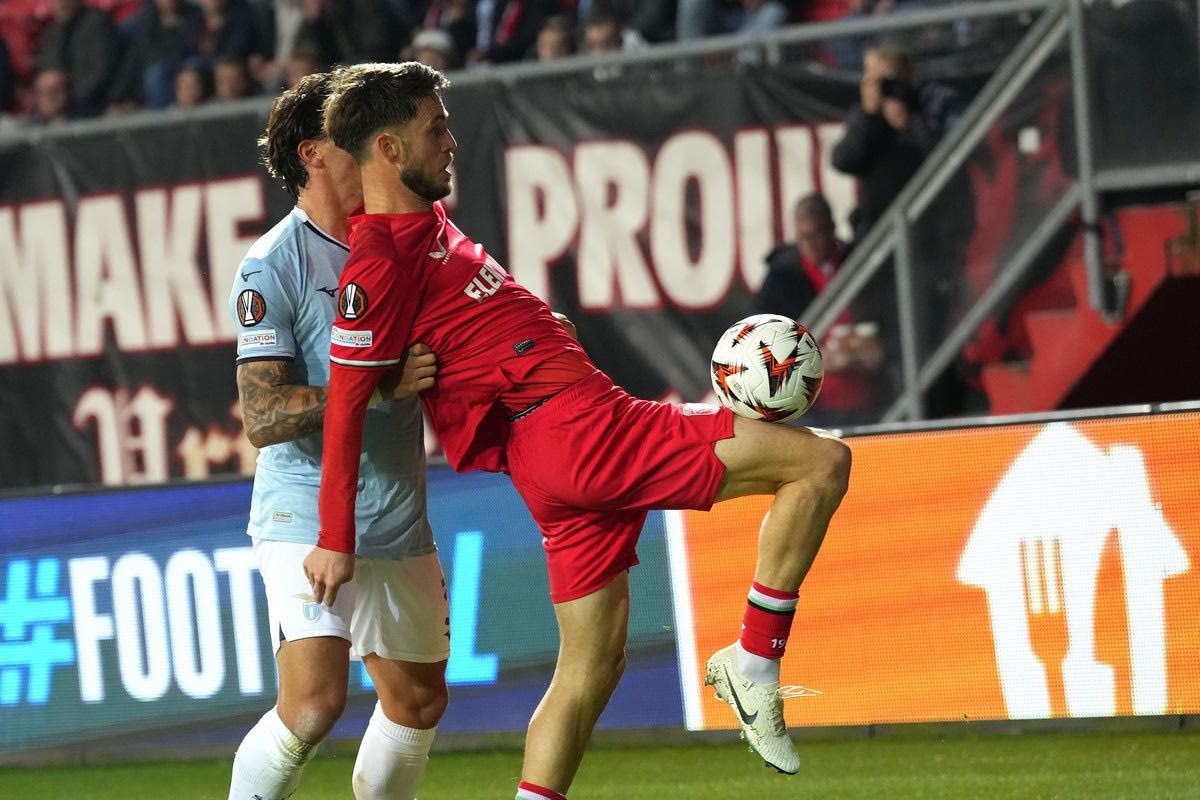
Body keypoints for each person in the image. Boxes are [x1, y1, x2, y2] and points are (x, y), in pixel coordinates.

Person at [309, 62, 851, 796]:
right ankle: (753, 660)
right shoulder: (377, 264)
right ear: (389, 149)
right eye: (435, 128)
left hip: (552, 454)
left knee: (589, 668)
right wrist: (334, 537)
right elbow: (347, 404)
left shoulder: (425, 224)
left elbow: (466, 330)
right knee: (820, 465)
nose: (451, 141)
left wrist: (535, 330)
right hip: (585, 432)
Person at [225, 70, 450, 800]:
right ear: (312, 152)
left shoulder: (403, 234)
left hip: (397, 508)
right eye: (343, 130)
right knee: (315, 704)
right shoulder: (273, 263)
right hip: (302, 508)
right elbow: (264, 416)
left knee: (418, 703)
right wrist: (379, 385)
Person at [757, 193, 886, 427]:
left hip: (870, 396)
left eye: (817, 235)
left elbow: (889, 315)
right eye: (803, 237)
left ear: (832, 229)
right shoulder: (781, 279)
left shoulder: (860, 261)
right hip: (811, 404)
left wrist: (875, 348)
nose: (811, 244)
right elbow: (763, 340)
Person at [831, 42, 933, 243]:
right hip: (877, 230)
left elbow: (943, 154)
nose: (884, 89)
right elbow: (843, 161)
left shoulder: (927, 104)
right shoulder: (864, 117)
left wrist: (907, 124)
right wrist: (869, 116)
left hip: (927, 223)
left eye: (890, 81)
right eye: (874, 81)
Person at [33, 0, 121, 116]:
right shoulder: (53, 32)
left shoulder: (97, 24)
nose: (60, 4)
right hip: (61, 110)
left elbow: (102, 73)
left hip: (93, 106)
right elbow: (48, 72)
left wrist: (69, 100)